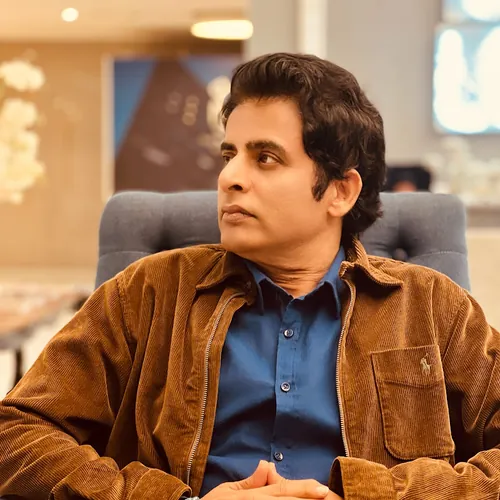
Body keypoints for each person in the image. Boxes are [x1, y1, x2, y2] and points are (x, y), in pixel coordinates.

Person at [0, 53, 499, 500]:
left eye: (265, 158)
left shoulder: (431, 306)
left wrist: (370, 494)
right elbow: (16, 434)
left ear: (341, 191)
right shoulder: (147, 292)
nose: (229, 177)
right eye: (229, 155)